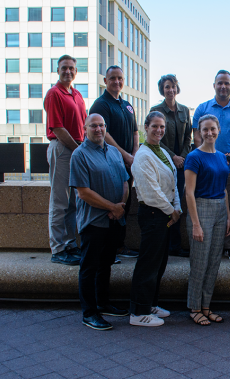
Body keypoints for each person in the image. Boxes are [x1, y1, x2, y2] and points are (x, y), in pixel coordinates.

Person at [69, 114, 130, 330]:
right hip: (93, 222)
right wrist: (111, 207)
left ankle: (103, 304)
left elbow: (124, 182)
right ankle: (89, 312)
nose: (98, 129)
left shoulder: (113, 152)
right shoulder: (79, 155)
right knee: (89, 267)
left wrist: (120, 207)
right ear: (85, 128)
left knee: (106, 265)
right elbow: (84, 193)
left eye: (102, 125)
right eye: (93, 126)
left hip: (114, 220)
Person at [192, 70, 230, 261]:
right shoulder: (203, 108)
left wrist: (227, 158)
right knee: (206, 204)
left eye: (227, 83)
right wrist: (207, 159)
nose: (223, 86)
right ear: (214, 85)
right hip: (207, 168)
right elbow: (196, 136)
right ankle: (210, 245)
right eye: (220, 83)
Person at [129, 112, 180, 327]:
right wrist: (171, 210)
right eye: (155, 126)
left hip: (164, 214)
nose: (159, 130)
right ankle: (138, 313)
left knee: (159, 263)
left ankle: (150, 304)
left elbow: (173, 183)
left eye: (162, 127)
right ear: (146, 127)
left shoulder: (162, 153)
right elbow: (152, 191)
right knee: (148, 264)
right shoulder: (143, 155)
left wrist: (176, 206)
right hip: (152, 214)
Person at [89, 65, 140, 260]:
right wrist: (124, 155)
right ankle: (109, 248)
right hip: (111, 162)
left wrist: (133, 154)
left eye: (120, 78)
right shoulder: (101, 104)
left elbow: (135, 132)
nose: (117, 82)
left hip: (128, 163)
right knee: (112, 204)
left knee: (124, 204)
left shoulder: (127, 105)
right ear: (105, 81)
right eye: (112, 79)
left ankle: (119, 245)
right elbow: (104, 134)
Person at [184, 115, 230, 326]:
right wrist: (195, 223)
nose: (209, 133)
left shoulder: (222, 157)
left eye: (213, 129)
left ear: (218, 130)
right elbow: (189, 193)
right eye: (205, 129)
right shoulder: (194, 157)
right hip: (201, 209)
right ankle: (194, 307)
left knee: (213, 263)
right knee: (200, 263)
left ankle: (206, 306)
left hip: (220, 210)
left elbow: (224, 189)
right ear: (199, 132)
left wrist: (228, 216)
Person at [44, 55, 87, 266]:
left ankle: (70, 244)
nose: (67, 71)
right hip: (63, 148)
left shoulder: (77, 95)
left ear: (76, 71)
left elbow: (84, 125)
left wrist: (82, 149)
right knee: (59, 201)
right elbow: (57, 128)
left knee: (73, 202)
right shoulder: (54, 94)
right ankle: (58, 249)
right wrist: (78, 149)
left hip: (76, 149)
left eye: (71, 68)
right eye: (64, 68)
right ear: (58, 70)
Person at [150, 74, 192, 258]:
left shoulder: (184, 110)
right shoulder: (156, 110)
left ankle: (175, 245)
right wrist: (172, 156)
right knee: (164, 202)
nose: (170, 90)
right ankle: (163, 244)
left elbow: (188, 137)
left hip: (181, 165)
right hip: (163, 163)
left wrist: (181, 157)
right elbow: (155, 139)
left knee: (178, 203)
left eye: (173, 86)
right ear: (162, 89)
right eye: (167, 87)